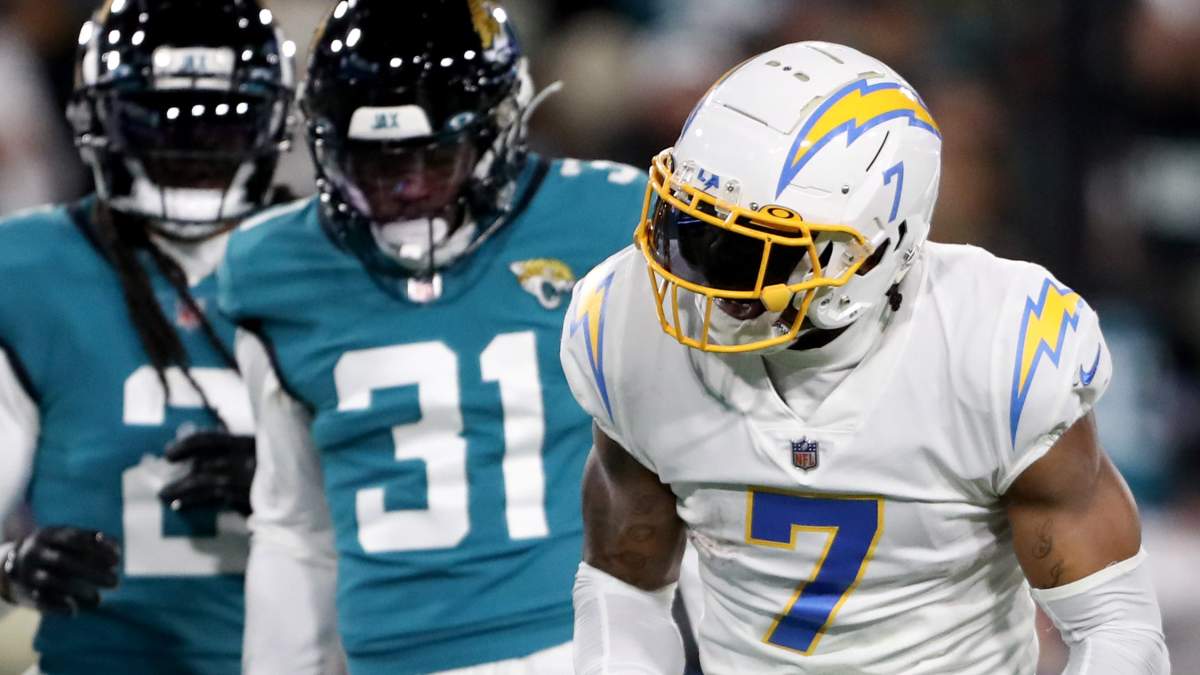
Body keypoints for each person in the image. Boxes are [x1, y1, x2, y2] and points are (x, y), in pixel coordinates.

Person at [562, 41, 1171, 674]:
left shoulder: (996, 348)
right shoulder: (629, 322)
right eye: (696, 230)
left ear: (874, 252)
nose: (707, 279)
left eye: (754, 250)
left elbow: (1113, 624)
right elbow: (624, 589)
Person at [217, 1, 647, 673]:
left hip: (579, 644)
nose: (408, 187)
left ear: (497, 132)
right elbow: (295, 524)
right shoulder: (273, 269)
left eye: (435, 155)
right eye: (375, 162)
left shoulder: (609, 218)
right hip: (389, 654)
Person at [0, 0, 294, 672]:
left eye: (222, 119)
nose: (190, 146)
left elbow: (444, 523)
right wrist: (11, 571)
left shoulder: (332, 267)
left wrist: (296, 484)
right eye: (159, 117)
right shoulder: (29, 274)